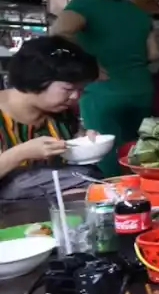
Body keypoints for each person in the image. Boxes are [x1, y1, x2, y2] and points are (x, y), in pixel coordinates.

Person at [50, 0, 159, 176]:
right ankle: (141, 195)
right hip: (141, 91)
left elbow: (59, 31)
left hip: (103, 92)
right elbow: (155, 54)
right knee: (140, 152)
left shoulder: (84, 6)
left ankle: (115, 202)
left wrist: (90, 63)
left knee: (106, 154)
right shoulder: (138, 12)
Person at [0, 37, 100, 200]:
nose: (75, 96)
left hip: (48, 200)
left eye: (81, 89)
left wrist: (82, 142)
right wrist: (22, 152)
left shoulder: (61, 110)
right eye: (68, 89)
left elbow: (69, 149)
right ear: (36, 79)